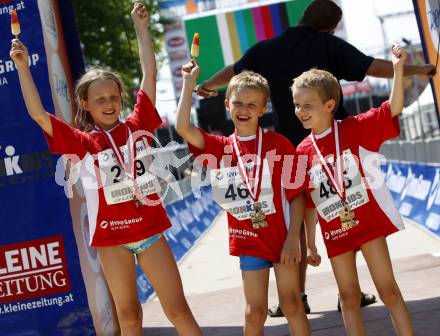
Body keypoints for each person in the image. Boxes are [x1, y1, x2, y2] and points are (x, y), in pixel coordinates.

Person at [195, 0, 435, 315]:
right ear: (330, 27)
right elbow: (372, 67)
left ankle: (295, 295)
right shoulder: (327, 44)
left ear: (303, 17)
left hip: (289, 150)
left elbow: (235, 70)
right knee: (344, 212)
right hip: (331, 145)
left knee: (297, 220)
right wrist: (419, 68)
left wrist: (206, 85)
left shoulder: (266, 48)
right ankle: (351, 291)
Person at [10, 3, 202, 336]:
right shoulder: (82, 141)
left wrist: (141, 29)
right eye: (100, 99)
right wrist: (23, 68)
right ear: (84, 104)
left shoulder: (138, 122)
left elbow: (149, 75)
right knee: (128, 317)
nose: (110, 103)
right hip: (112, 240)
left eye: (114, 97)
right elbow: (39, 115)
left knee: (177, 309)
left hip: (150, 232)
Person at [176, 61, 310, 335]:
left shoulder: (279, 144)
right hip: (249, 241)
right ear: (227, 105)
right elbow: (183, 128)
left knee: (292, 304)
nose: (244, 110)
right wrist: (188, 85)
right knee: (255, 311)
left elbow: (297, 196)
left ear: (263, 109)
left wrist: (294, 238)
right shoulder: (220, 147)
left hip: (282, 238)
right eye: (238, 103)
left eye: (252, 105)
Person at [293, 44, 413, 335]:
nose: (299, 111)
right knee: (349, 298)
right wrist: (310, 244)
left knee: (389, 291)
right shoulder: (302, 150)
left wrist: (397, 70)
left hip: (368, 224)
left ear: (329, 104)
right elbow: (309, 202)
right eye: (296, 105)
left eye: (307, 105)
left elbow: (393, 108)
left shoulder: (356, 128)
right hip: (335, 231)